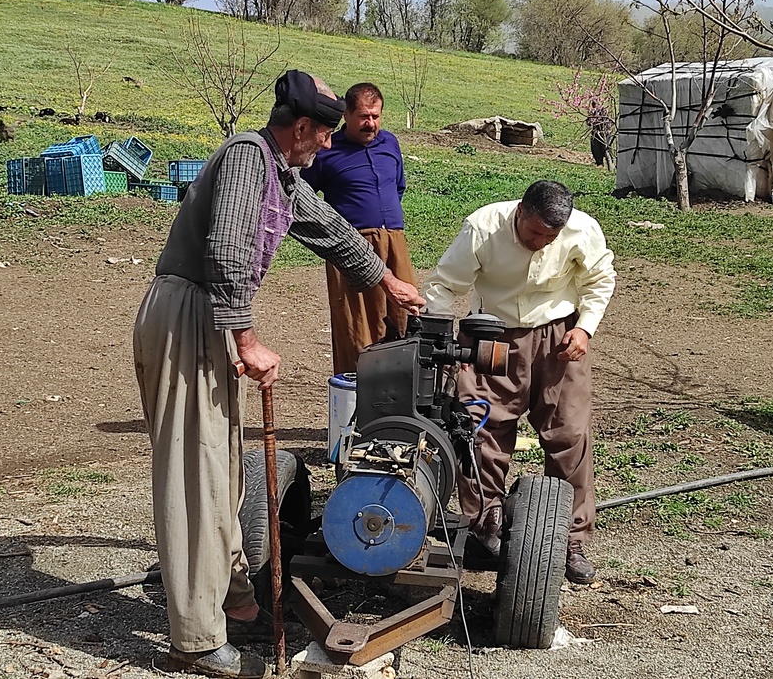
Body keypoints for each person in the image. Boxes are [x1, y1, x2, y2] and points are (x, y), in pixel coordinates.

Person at [133, 69, 424, 679]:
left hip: (210, 315)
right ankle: (195, 638)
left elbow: (332, 229)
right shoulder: (248, 156)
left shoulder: (282, 173)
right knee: (196, 474)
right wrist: (246, 337)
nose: (329, 145)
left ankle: (235, 603)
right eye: (325, 135)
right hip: (189, 312)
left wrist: (389, 282)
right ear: (301, 127)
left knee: (224, 467)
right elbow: (228, 250)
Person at [422, 180, 616, 585]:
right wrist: (441, 343)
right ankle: (484, 524)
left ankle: (569, 539)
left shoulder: (582, 229)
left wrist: (585, 329)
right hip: (491, 334)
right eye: (534, 233)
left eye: (551, 237)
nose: (541, 243)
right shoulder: (483, 227)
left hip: (559, 335)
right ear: (520, 211)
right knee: (480, 429)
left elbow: (599, 280)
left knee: (570, 434)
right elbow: (444, 285)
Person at [301, 83, 416, 375]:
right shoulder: (327, 151)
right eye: (364, 117)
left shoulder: (390, 143)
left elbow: (398, 187)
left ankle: (400, 389)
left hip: (394, 241)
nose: (371, 124)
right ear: (347, 115)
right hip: (350, 247)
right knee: (357, 325)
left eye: (376, 116)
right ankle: (356, 392)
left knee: (403, 315)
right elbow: (302, 197)